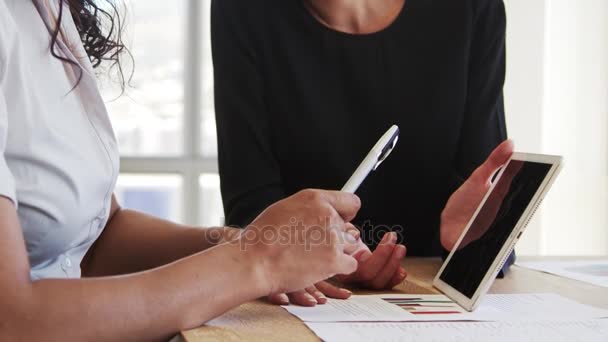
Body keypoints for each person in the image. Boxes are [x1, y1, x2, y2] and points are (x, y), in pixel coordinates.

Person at [0, 0, 367, 339]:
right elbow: (11, 318)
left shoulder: (45, 10)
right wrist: (256, 262)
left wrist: (246, 242)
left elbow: (97, 239)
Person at [212, 0, 512, 306]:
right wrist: (313, 257)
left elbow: (487, 203)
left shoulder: (472, 8)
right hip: (307, 292)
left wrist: (476, 242)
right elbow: (250, 213)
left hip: (433, 293)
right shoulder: (243, 9)